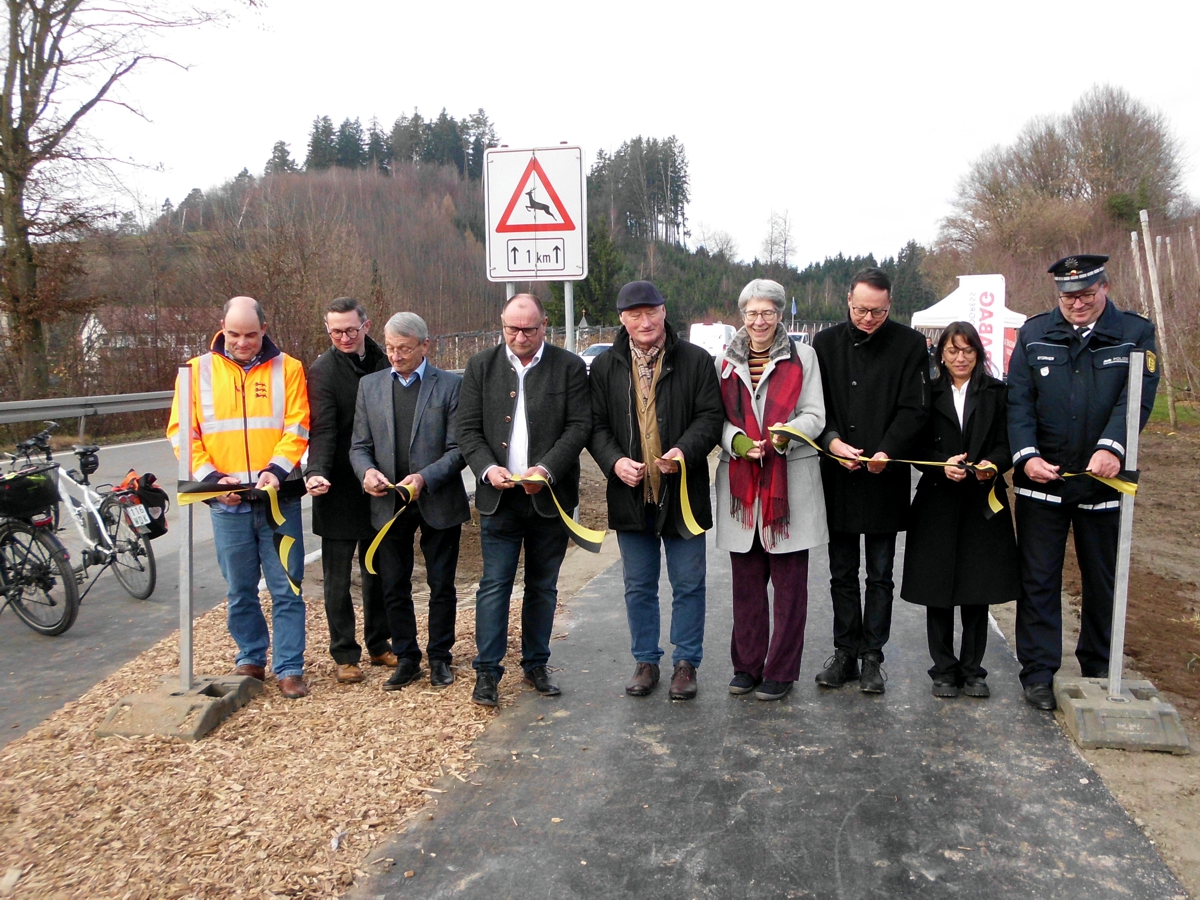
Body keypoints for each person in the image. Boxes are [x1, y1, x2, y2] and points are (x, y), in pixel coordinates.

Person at [1007, 254, 1158, 711]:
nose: (1077, 304)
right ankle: (1038, 672)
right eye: (1068, 296)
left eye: (1086, 295)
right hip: (1042, 483)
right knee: (1038, 581)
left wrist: (1114, 447)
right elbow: (1018, 401)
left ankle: (1098, 667)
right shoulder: (1034, 333)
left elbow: (1136, 398)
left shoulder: (1134, 333)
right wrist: (1026, 456)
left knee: (1102, 582)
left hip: (1103, 484)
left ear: (1104, 289)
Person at [166, 296, 311, 698]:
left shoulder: (289, 368)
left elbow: (298, 426)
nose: (242, 343)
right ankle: (250, 657)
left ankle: (289, 667)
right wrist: (214, 481)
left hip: (278, 500)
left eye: (250, 335)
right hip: (226, 504)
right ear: (222, 328)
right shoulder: (195, 372)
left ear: (264, 329)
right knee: (239, 588)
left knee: (287, 586)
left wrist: (276, 471)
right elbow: (182, 434)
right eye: (234, 334)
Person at [588, 281, 723, 700]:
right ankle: (646, 661)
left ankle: (686, 663)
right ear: (622, 319)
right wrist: (614, 461)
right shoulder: (606, 366)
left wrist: (684, 451)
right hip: (631, 495)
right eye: (635, 315)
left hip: (682, 496)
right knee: (638, 586)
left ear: (664, 312)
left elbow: (710, 417)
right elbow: (595, 425)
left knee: (689, 584)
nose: (644, 322)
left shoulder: (696, 361)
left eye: (651, 312)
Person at [457, 294, 591, 707]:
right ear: (502, 324)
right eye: (511, 328)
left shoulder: (569, 367)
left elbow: (579, 426)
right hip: (498, 498)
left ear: (544, 325)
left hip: (548, 497)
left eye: (528, 329)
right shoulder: (481, 366)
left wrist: (546, 470)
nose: (519, 336)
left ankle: (536, 664)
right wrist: (486, 468)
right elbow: (467, 429)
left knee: (542, 587)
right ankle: (487, 672)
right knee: (494, 586)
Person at [811, 267, 929, 694]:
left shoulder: (910, 344)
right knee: (842, 572)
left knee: (880, 574)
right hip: (838, 473)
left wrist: (888, 450)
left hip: (885, 474)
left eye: (878, 312)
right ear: (848, 300)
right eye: (861, 310)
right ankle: (845, 651)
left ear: (890, 305)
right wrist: (831, 441)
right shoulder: (824, 344)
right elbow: (815, 404)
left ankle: (873, 656)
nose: (868, 319)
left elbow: (915, 407)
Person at [715, 279, 827, 701]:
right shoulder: (724, 361)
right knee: (746, 589)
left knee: (790, 591)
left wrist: (786, 435)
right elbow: (714, 418)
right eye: (751, 313)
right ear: (742, 316)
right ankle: (746, 666)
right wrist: (737, 441)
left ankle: (781, 671)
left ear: (780, 315)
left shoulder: (804, 357)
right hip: (742, 487)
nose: (759, 321)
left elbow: (815, 414)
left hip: (789, 485)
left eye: (767, 312)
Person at [349, 313, 471, 691]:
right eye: (390, 348)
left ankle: (440, 657)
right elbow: (359, 446)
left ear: (424, 346)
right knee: (393, 584)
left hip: (438, 498)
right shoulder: (369, 386)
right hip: (388, 502)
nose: (395, 356)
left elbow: (459, 449)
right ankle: (406, 658)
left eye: (403, 348)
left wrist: (423, 478)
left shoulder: (450, 386)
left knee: (441, 585)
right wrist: (367, 472)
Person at [900, 322, 1019, 699]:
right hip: (937, 500)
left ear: (977, 354)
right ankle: (943, 669)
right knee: (937, 587)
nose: (960, 358)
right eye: (952, 350)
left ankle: (973, 671)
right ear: (941, 355)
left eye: (967, 350)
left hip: (982, 502)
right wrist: (940, 464)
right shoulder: (927, 393)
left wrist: (993, 466)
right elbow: (913, 446)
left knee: (976, 588)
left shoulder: (997, 393)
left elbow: (1007, 443)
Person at [304, 297, 395, 685]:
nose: (344, 337)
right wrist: (316, 472)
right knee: (338, 578)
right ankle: (344, 653)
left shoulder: (384, 361)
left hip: (378, 481)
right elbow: (322, 429)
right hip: (338, 483)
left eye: (350, 330)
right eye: (336, 332)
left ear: (366, 326)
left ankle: (379, 642)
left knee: (377, 569)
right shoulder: (322, 371)